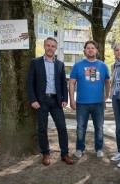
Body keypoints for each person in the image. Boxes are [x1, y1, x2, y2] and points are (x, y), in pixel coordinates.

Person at [28, 37, 73, 166]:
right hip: (41, 101)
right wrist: (33, 100)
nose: (50, 48)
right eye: (48, 45)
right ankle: (46, 154)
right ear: (44, 46)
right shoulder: (35, 62)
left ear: (55, 48)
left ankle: (64, 154)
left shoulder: (60, 64)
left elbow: (63, 83)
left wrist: (65, 99)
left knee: (62, 128)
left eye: (53, 46)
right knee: (42, 128)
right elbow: (30, 83)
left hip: (56, 101)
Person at [69, 40, 110, 159]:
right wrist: (72, 100)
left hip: (98, 103)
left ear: (97, 50)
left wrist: (107, 95)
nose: (90, 50)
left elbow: (107, 82)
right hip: (82, 103)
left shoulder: (103, 66)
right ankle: (80, 149)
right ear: (85, 50)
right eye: (88, 48)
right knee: (81, 127)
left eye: (93, 48)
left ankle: (99, 149)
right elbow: (71, 83)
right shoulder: (78, 65)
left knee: (99, 127)